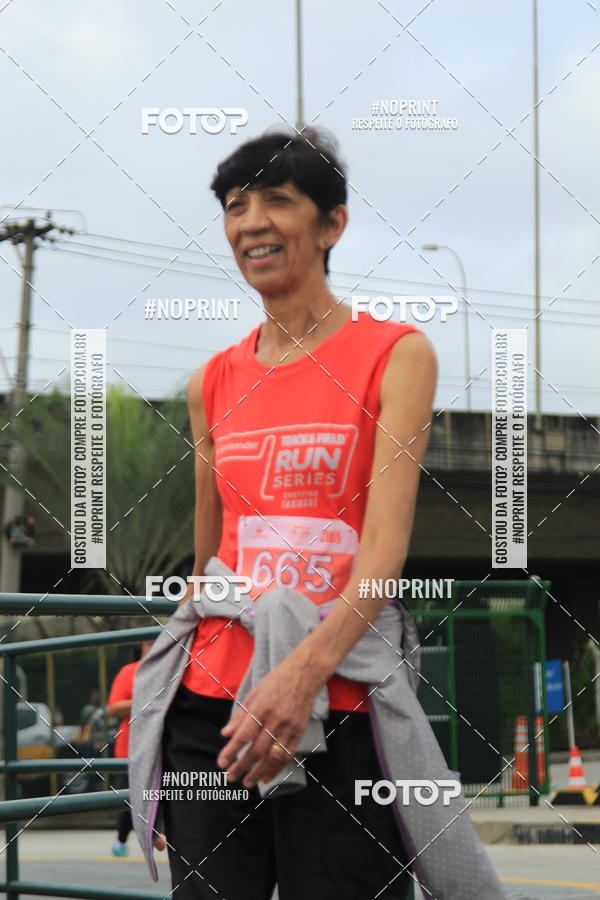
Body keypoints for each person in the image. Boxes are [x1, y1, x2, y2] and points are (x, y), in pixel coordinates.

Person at [157, 126, 437, 899]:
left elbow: (383, 550)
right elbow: (209, 562)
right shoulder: (211, 379)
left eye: (277, 201)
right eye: (234, 205)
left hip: (341, 706)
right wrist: (155, 688)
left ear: (331, 224)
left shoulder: (395, 354)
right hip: (211, 715)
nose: (250, 222)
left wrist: (300, 675)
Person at [106, 641, 153, 857]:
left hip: (163, 742)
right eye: (150, 642)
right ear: (143, 646)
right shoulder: (130, 671)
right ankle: (121, 840)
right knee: (130, 795)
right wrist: (145, 700)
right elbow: (114, 707)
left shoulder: (174, 665)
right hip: (132, 746)